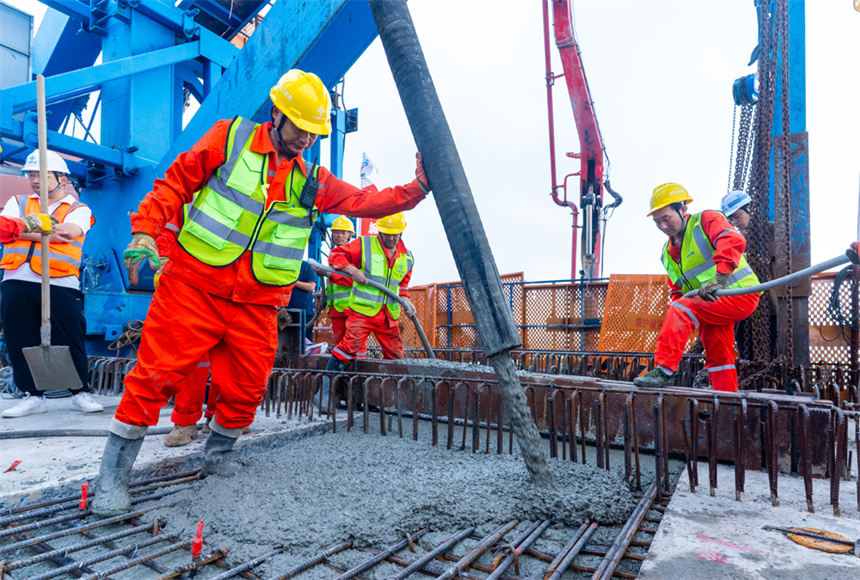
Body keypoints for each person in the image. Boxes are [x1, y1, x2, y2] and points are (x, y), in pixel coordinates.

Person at [90, 69, 430, 517]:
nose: (307, 137)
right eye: (300, 127)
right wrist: (146, 232)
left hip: (257, 303)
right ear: (277, 114)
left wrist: (419, 188)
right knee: (154, 376)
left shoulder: (315, 182)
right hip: (193, 287)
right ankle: (112, 478)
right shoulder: (228, 139)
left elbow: (368, 202)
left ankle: (217, 457)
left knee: (248, 387)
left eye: (315, 131)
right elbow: (175, 184)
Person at [0, 151, 103, 418]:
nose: (34, 180)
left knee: (68, 336)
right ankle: (32, 395)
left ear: (60, 177)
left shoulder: (79, 209)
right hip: (16, 278)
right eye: (30, 175)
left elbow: (66, 234)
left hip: (60, 280)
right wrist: (44, 229)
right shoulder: (18, 201)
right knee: (19, 338)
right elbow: (7, 230)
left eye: (40, 175)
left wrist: (23, 231)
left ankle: (80, 392)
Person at [633, 183, 760, 392]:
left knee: (682, 309)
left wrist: (720, 279)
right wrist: (674, 321)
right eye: (657, 222)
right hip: (713, 302)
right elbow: (677, 291)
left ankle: (664, 371)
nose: (663, 226)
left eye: (666, 218)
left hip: (740, 295)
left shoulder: (706, 220)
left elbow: (732, 238)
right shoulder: (667, 253)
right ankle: (726, 396)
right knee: (717, 349)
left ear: (683, 210)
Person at [327, 212, 415, 371]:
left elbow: (402, 285)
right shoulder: (364, 244)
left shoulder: (407, 257)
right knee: (349, 346)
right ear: (379, 231)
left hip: (388, 316)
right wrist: (352, 270)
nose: (390, 238)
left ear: (401, 232)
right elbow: (336, 255)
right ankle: (328, 386)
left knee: (396, 354)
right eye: (386, 234)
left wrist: (406, 300)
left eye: (394, 235)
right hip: (363, 312)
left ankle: (396, 390)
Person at [324, 216, 359, 348]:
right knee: (339, 344)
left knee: (354, 343)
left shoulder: (355, 254)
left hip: (352, 307)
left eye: (343, 233)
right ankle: (342, 368)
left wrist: (330, 275)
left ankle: (358, 367)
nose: (339, 236)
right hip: (336, 309)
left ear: (350, 235)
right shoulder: (333, 253)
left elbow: (355, 279)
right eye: (336, 232)